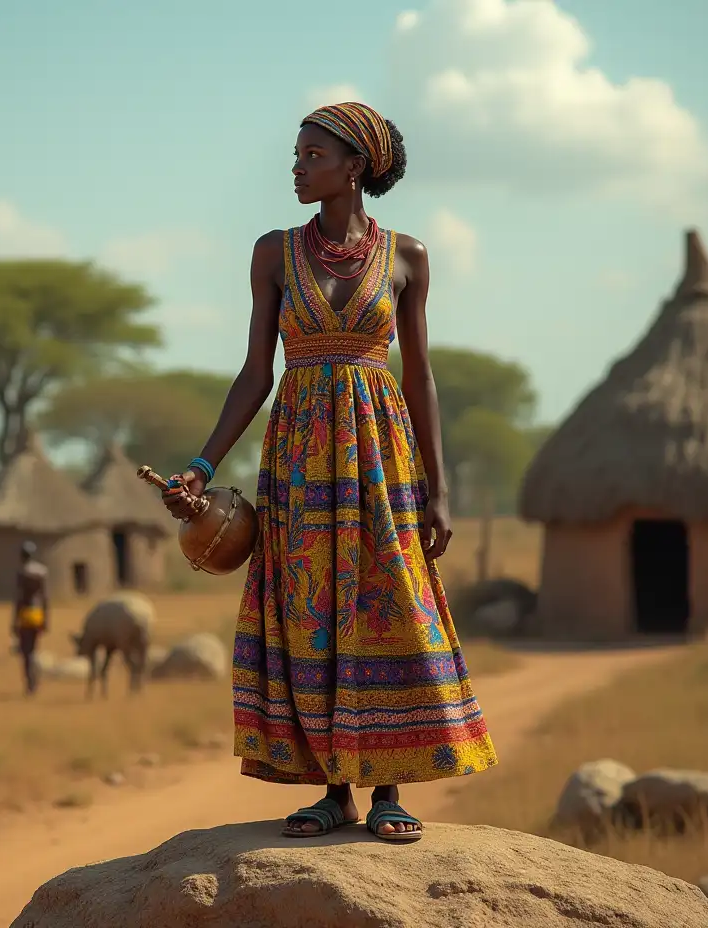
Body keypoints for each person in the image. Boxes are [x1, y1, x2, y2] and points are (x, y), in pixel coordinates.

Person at [162, 101, 498, 842]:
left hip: (381, 456)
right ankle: (331, 791)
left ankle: (389, 791)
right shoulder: (273, 254)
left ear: (356, 167)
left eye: (312, 156)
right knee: (310, 615)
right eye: (296, 155)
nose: (296, 167)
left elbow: (421, 377)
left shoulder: (407, 256)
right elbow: (256, 372)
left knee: (389, 603)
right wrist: (201, 465)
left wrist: (439, 489)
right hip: (300, 458)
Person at [11, 541, 49, 696]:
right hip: (38, 613)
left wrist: (14, 620)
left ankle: (30, 682)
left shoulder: (22, 572)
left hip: (26, 615)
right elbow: (45, 597)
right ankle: (35, 678)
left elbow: (20, 598)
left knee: (26, 651)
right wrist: (46, 618)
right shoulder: (42, 572)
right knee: (34, 648)